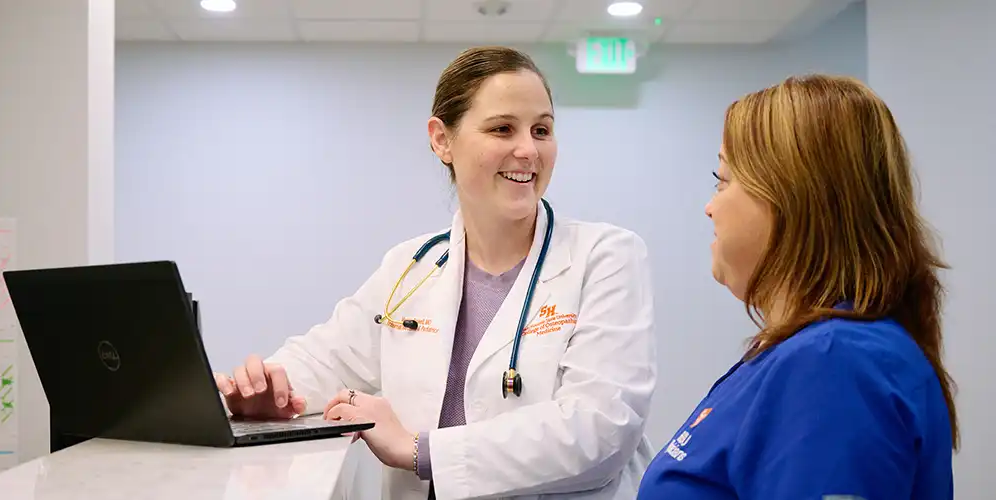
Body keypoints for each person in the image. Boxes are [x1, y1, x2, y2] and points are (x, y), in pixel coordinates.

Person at [213, 46, 657, 500]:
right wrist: (264, 391)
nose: (528, 150)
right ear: (442, 140)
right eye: (503, 128)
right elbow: (324, 359)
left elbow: (601, 428)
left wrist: (419, 451)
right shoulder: (412, 268)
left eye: (541, 130)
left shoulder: (605, 257)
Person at [637, 74, 957, 499]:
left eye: (723, 179)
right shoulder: (804, 354)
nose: (709, 207)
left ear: (790, 196)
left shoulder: (838, 364)